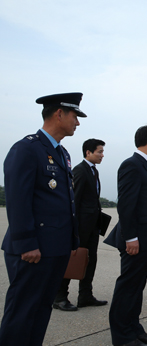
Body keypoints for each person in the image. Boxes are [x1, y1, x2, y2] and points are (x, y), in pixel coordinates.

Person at [0, 92, 85, 346]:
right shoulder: (26, 148)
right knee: (22, 312)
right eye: (75, 116)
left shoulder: (62, 153)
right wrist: (26, 243)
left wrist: (71, 241)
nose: (77, 123)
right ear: (59, 113)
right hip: (33, 250)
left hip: (54, 249)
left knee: (41, 310)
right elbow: (17, 200)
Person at [105, 125, 147, 346]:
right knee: (128, 287)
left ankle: (133, 328)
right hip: (137, 240)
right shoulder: (132, 165)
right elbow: (125, 204)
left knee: (136, 287)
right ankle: (122, 337)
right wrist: (130, 237)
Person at [53, 138, 107, 312]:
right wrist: (73, 228)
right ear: (88, 153)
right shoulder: (80, 170)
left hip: (92, 226)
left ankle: (85, 295)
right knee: (73, 259)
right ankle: (59, 297)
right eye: (99, 151)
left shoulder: (93, 171)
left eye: (102, 152)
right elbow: (74, 200)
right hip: (80, 227)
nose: (102, 155)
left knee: (90, 259)